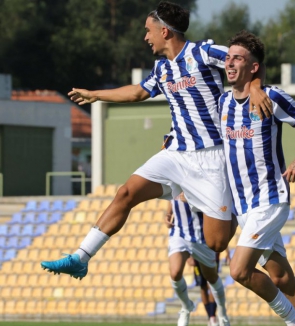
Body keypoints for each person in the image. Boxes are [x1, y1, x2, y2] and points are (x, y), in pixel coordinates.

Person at [40, 1, 270, 280]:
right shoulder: (162, 69)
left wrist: (256, 87)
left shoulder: (202, 52)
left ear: (165, 31)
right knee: (126, 193)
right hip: (176, 153)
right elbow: (137, 92)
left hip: (212, 156)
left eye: (148, 30)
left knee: (217, 243)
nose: (145, 37)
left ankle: (230, 206)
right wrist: (96, 94)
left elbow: (242, 61)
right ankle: (81, 257)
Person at [219, 30, 295, 326]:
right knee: (282, 276)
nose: (229, 63)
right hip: (244, 207)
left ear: (254, 67)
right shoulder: (223, 104)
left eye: (237, 58)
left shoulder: (272, 97)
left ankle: (294, 322)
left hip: (270, 199)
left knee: (239, 270)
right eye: (227, 57)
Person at [164, 193, 228, 326]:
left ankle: (222, 311)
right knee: (175, 273)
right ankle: (186, 307)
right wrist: (168, 214)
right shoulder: (173, 176)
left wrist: (193, 197)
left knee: (212, 278)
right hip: (179, 233)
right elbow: (171, 196)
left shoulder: (201, 175)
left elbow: (214, 202)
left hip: (203, 237)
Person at [187, 256, 220, 326]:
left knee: (212, 285)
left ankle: (212, 317)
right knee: (203, 286)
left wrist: (228, 254)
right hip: (198, 259)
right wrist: (189, 256)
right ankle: (210, 317)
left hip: (212, 257)